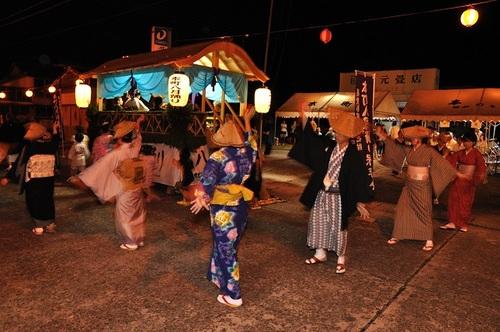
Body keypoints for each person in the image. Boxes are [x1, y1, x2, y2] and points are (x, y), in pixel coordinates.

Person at [288, 108, 372, 274]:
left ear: (349, 135)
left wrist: (360, 201)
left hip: (339, 197)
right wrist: (303, 116)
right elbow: (311, 140)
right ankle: (320, 253)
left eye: (341, 132)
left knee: (338, 227)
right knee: (318, 222)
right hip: (322, 193)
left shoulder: (354, 155)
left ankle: (341, 258)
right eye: (337, 130)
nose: (337, 134)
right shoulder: (328, 146)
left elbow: (359, 178)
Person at [190, 106, 257, 308]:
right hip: (241, 208)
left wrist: (201, 197)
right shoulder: (246, 153)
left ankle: (234, 294)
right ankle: (218, 278)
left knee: (226, 250)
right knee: (229, 246)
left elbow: (207, 181)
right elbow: (252, 142)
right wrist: (247, 121)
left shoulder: (217, 157)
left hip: (223, 212)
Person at [375, 125, 463, 251]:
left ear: (421, 139)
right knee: (402, 208)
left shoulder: (429, 150)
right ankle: (398, 234)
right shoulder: (409, 150)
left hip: (422, 185)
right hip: (409, 184)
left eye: (415, 138)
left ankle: (428, 239)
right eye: (412, 138)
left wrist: (458, 173)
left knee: (424, 211)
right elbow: (395, 147)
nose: (413, 140)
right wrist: (383, 136)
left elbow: (442, 163)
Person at [68, 115, 146, 250]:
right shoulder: (134, 148)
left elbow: (100, 167)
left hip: (124, 188)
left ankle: (131, 241)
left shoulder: (117, 153)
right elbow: (139, 138)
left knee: (124, 215)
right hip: (136, 187)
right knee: (136, 212)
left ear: (120, 138)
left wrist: (81, 178)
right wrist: (138, 126)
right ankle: (138, 239)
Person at [15, 121, 60, 235]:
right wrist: (54, 130)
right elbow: (56, 141)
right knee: (48, 200)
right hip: (48, 179)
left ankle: (39, 226)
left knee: (34, 200)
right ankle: (50, 224)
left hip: (34, 180)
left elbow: (19, 161)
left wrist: (9, 176)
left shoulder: (30, 147)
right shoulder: (50, 146)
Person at [441, 131, 486, 232]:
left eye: (469, 141)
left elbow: (481, 167)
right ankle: (452, 221)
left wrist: (477, 177)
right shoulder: (460, 152)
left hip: (469, 182)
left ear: (473, 142)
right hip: (458, 179)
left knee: (465, 202)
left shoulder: (477, 154)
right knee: (453, 200)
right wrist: (447, 154)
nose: (466, 143)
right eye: (465, 141)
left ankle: (463, 223)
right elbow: (450, 161)